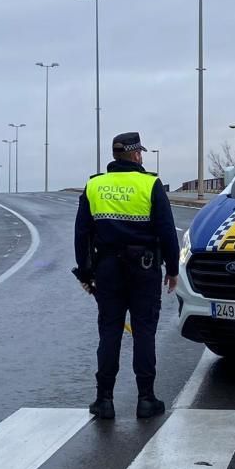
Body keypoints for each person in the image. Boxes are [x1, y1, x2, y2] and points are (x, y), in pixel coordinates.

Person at [74, 132, 180, 420]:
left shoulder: (95, 185)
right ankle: (146, 399)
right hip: (144, 269)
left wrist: (84, 273)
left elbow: (82, 233)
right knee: (144, 332)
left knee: (109, 331)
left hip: (107, 269)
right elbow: (167, 231)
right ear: (135, 155)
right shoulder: (149, 184)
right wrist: (172, 269)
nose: (142, 157)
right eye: (140, 153)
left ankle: (104, 400)